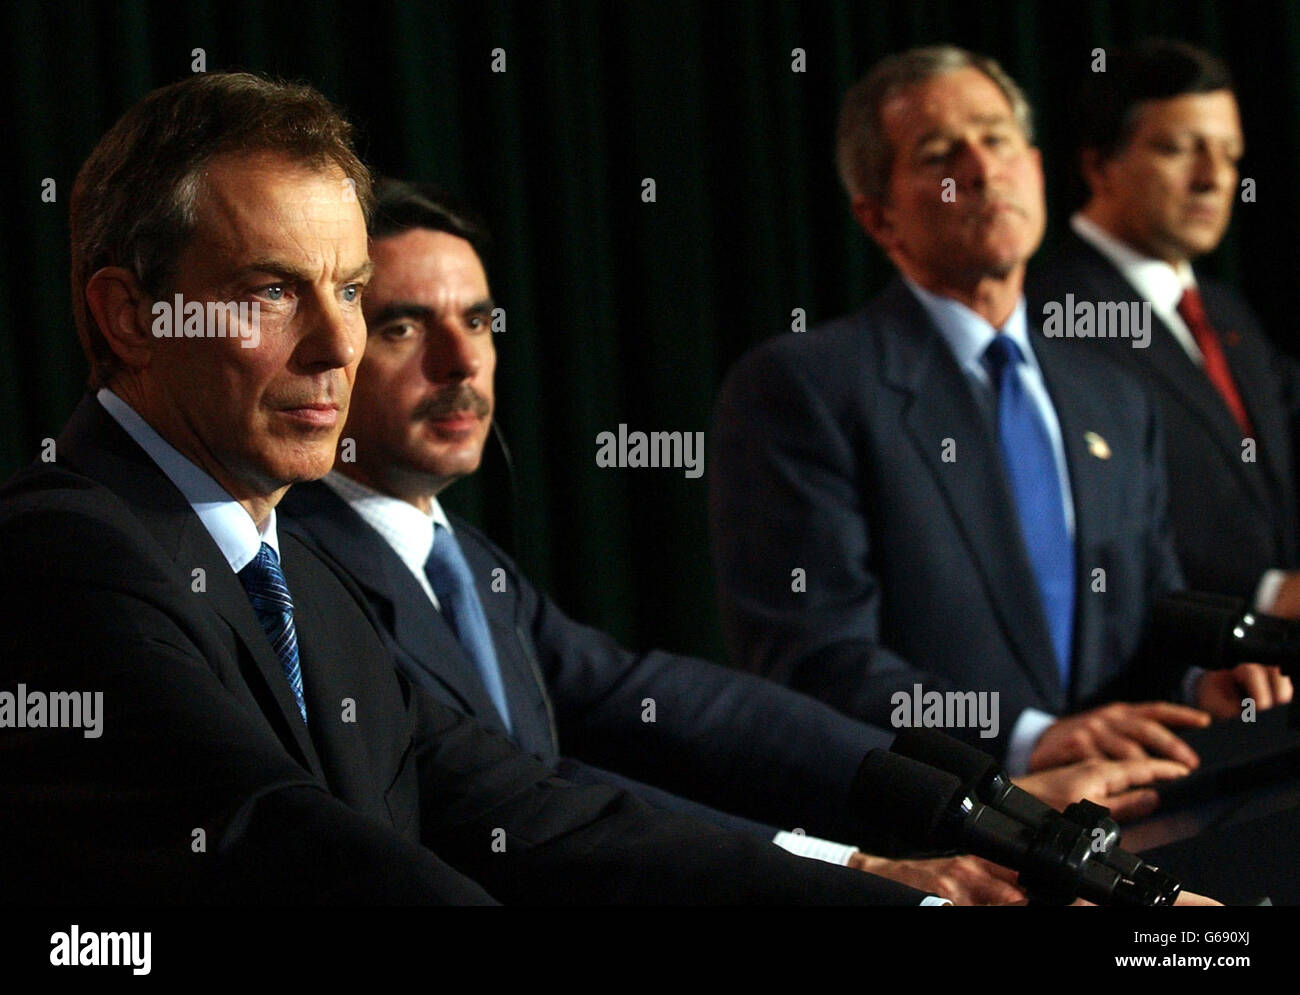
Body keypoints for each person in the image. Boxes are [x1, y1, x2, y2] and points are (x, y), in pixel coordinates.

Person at [0, 70, 941, 905]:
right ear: (130, 317)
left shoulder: (306, 583)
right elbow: (291, 850)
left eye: (351, 291)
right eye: (275, 292)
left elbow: (545, 820)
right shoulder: (60, 553)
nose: (337, 346)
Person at [281, 180, 1193, 903]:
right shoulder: (302, 573)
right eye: (404, 324)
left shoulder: (471, 563)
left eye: (478, 320)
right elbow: (546, 797)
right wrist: (857, 869)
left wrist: (983, 804)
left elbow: (678, 704)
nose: (462, 359)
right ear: (337, 343)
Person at [708, 45, 1286, 778]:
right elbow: (815, 659)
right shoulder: (803, 389)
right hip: (941, 845)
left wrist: (1200, 681)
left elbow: (1148, 617)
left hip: (1133, 824)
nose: (982, 171)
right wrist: (1029, 739)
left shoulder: (1112, 394)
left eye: (999, 139)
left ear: (1038, 171)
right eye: (940, 153)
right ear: (879, 217)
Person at [1028, 40, 1300, 675]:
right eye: (1179, 150)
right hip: (1162, 681)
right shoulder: (1053, 315)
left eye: (1229, 155)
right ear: (1100, 166)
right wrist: (1266, 592)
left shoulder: (1225, 311)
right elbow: (1092, 529)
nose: (1213, 178)